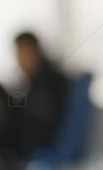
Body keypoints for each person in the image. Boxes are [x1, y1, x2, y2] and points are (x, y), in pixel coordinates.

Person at [10, 31, 68, 160]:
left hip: (42, 145)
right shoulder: (35, 79)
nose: (19, 60)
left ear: (33, 51)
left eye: (20, 53)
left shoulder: (47, 81)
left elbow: (41, 121)